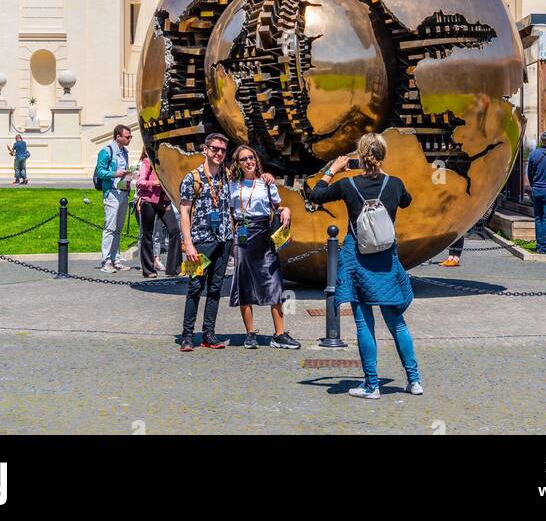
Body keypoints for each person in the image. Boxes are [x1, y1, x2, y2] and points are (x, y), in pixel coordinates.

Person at [309, 133, 422, 400]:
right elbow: (406, 201)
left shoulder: (347, 184)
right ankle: (414, 380)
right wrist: (386, 177)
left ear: (359, 157)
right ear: (383, 155)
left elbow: (316, 195)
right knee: (397, 323)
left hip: (357, 258)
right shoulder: (394, 184)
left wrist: (331, 170)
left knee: (363, 323)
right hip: (385, 260)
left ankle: (372, 386)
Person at [227, 144, 299, 349]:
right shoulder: (232, 185)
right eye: (244, 159)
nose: (249, 161)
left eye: (252, 157)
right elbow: (230, 214)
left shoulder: (266, 183)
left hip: (264, 234)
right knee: (244, 284)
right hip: (242, 234)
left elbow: (277, 207)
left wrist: (286, 210)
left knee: (274, 281)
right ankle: (250, 333)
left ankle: (279, 334)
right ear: (238, 164)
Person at [178, 133, 234, 351]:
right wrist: (188, 243)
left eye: (222, 150)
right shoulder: (192, 178)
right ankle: (187, 335)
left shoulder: (227, 176)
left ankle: (208, 334)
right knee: (194, 288)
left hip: (223, 240)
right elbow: (184, 211)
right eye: (214, 149)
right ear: (205, 149)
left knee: (215, 288)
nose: (218, 153)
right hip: (200, 241)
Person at [133, 147, 181, 278]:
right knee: (147, 234)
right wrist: (155, 183)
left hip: (164, 201)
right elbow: (139, 182)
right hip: (149, 200)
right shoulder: (148, 162)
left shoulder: (167, 164)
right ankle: (148, 270)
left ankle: (173, 268)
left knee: (175, 230)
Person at [94, 124, 134, 273]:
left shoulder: (125, 152)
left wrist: (128, 179)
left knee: (118, 228)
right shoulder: (106, 151)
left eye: (130, 137)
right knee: (110, 227)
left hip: (123, 191)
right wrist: (114, 173)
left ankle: (116, 260)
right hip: (111, 192)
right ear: (118, 136)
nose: (129, 139)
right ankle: (106, 261)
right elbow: (100, 172)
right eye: (127, 137)